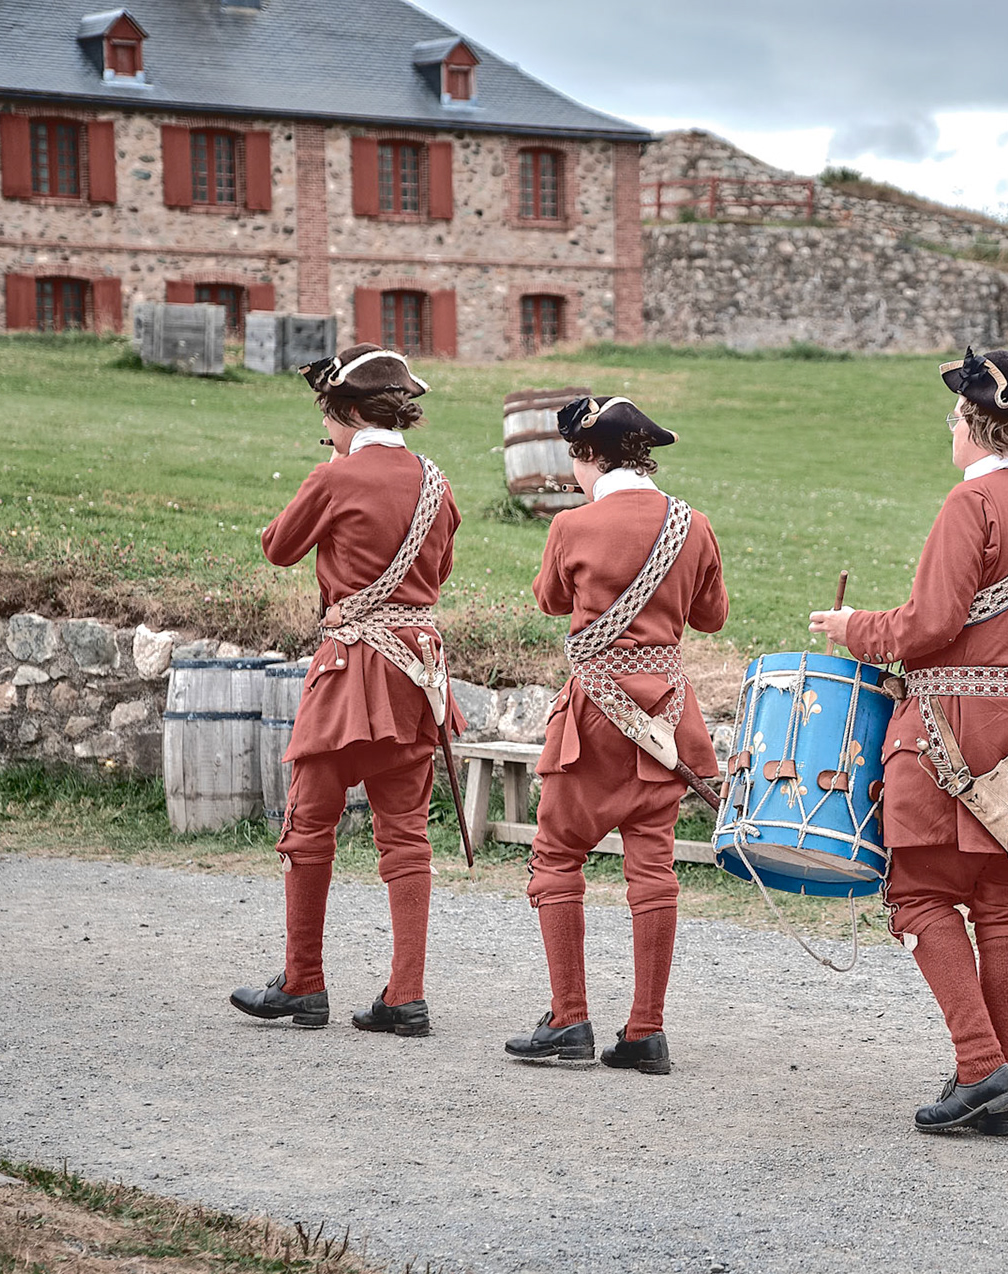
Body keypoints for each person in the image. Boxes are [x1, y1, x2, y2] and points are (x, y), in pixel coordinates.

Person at [809, 348, 1008, 1136]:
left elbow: (930, 626)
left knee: (918, 891)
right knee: (1006, 901)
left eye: (953, 419)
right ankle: (989, 1083)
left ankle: (981, 1068)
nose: (949, 432)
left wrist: (856, 631)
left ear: (976, 425)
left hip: (947, 720)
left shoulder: (969, 505)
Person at [232, 343, 465, 1038]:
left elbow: (277, 546)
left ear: (349, 412)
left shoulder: (335, 476)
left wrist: (333, 471)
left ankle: (303, 982)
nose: (324, 434)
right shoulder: (435, 481)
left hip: (351, 666)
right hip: (417, 673)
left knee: (309, 824)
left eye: (328, 419)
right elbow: (441, 566)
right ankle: (406, 995)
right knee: (406, 836)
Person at [504, 396, 727, 1074]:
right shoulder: (694, 524)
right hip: (663, 716)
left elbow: (548, 599)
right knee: (652, 868)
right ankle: (645, 1032)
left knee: (556, 855)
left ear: (586, 455)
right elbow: (711, 618)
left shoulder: (574, 524)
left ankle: (569, 1017)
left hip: (596, 714)